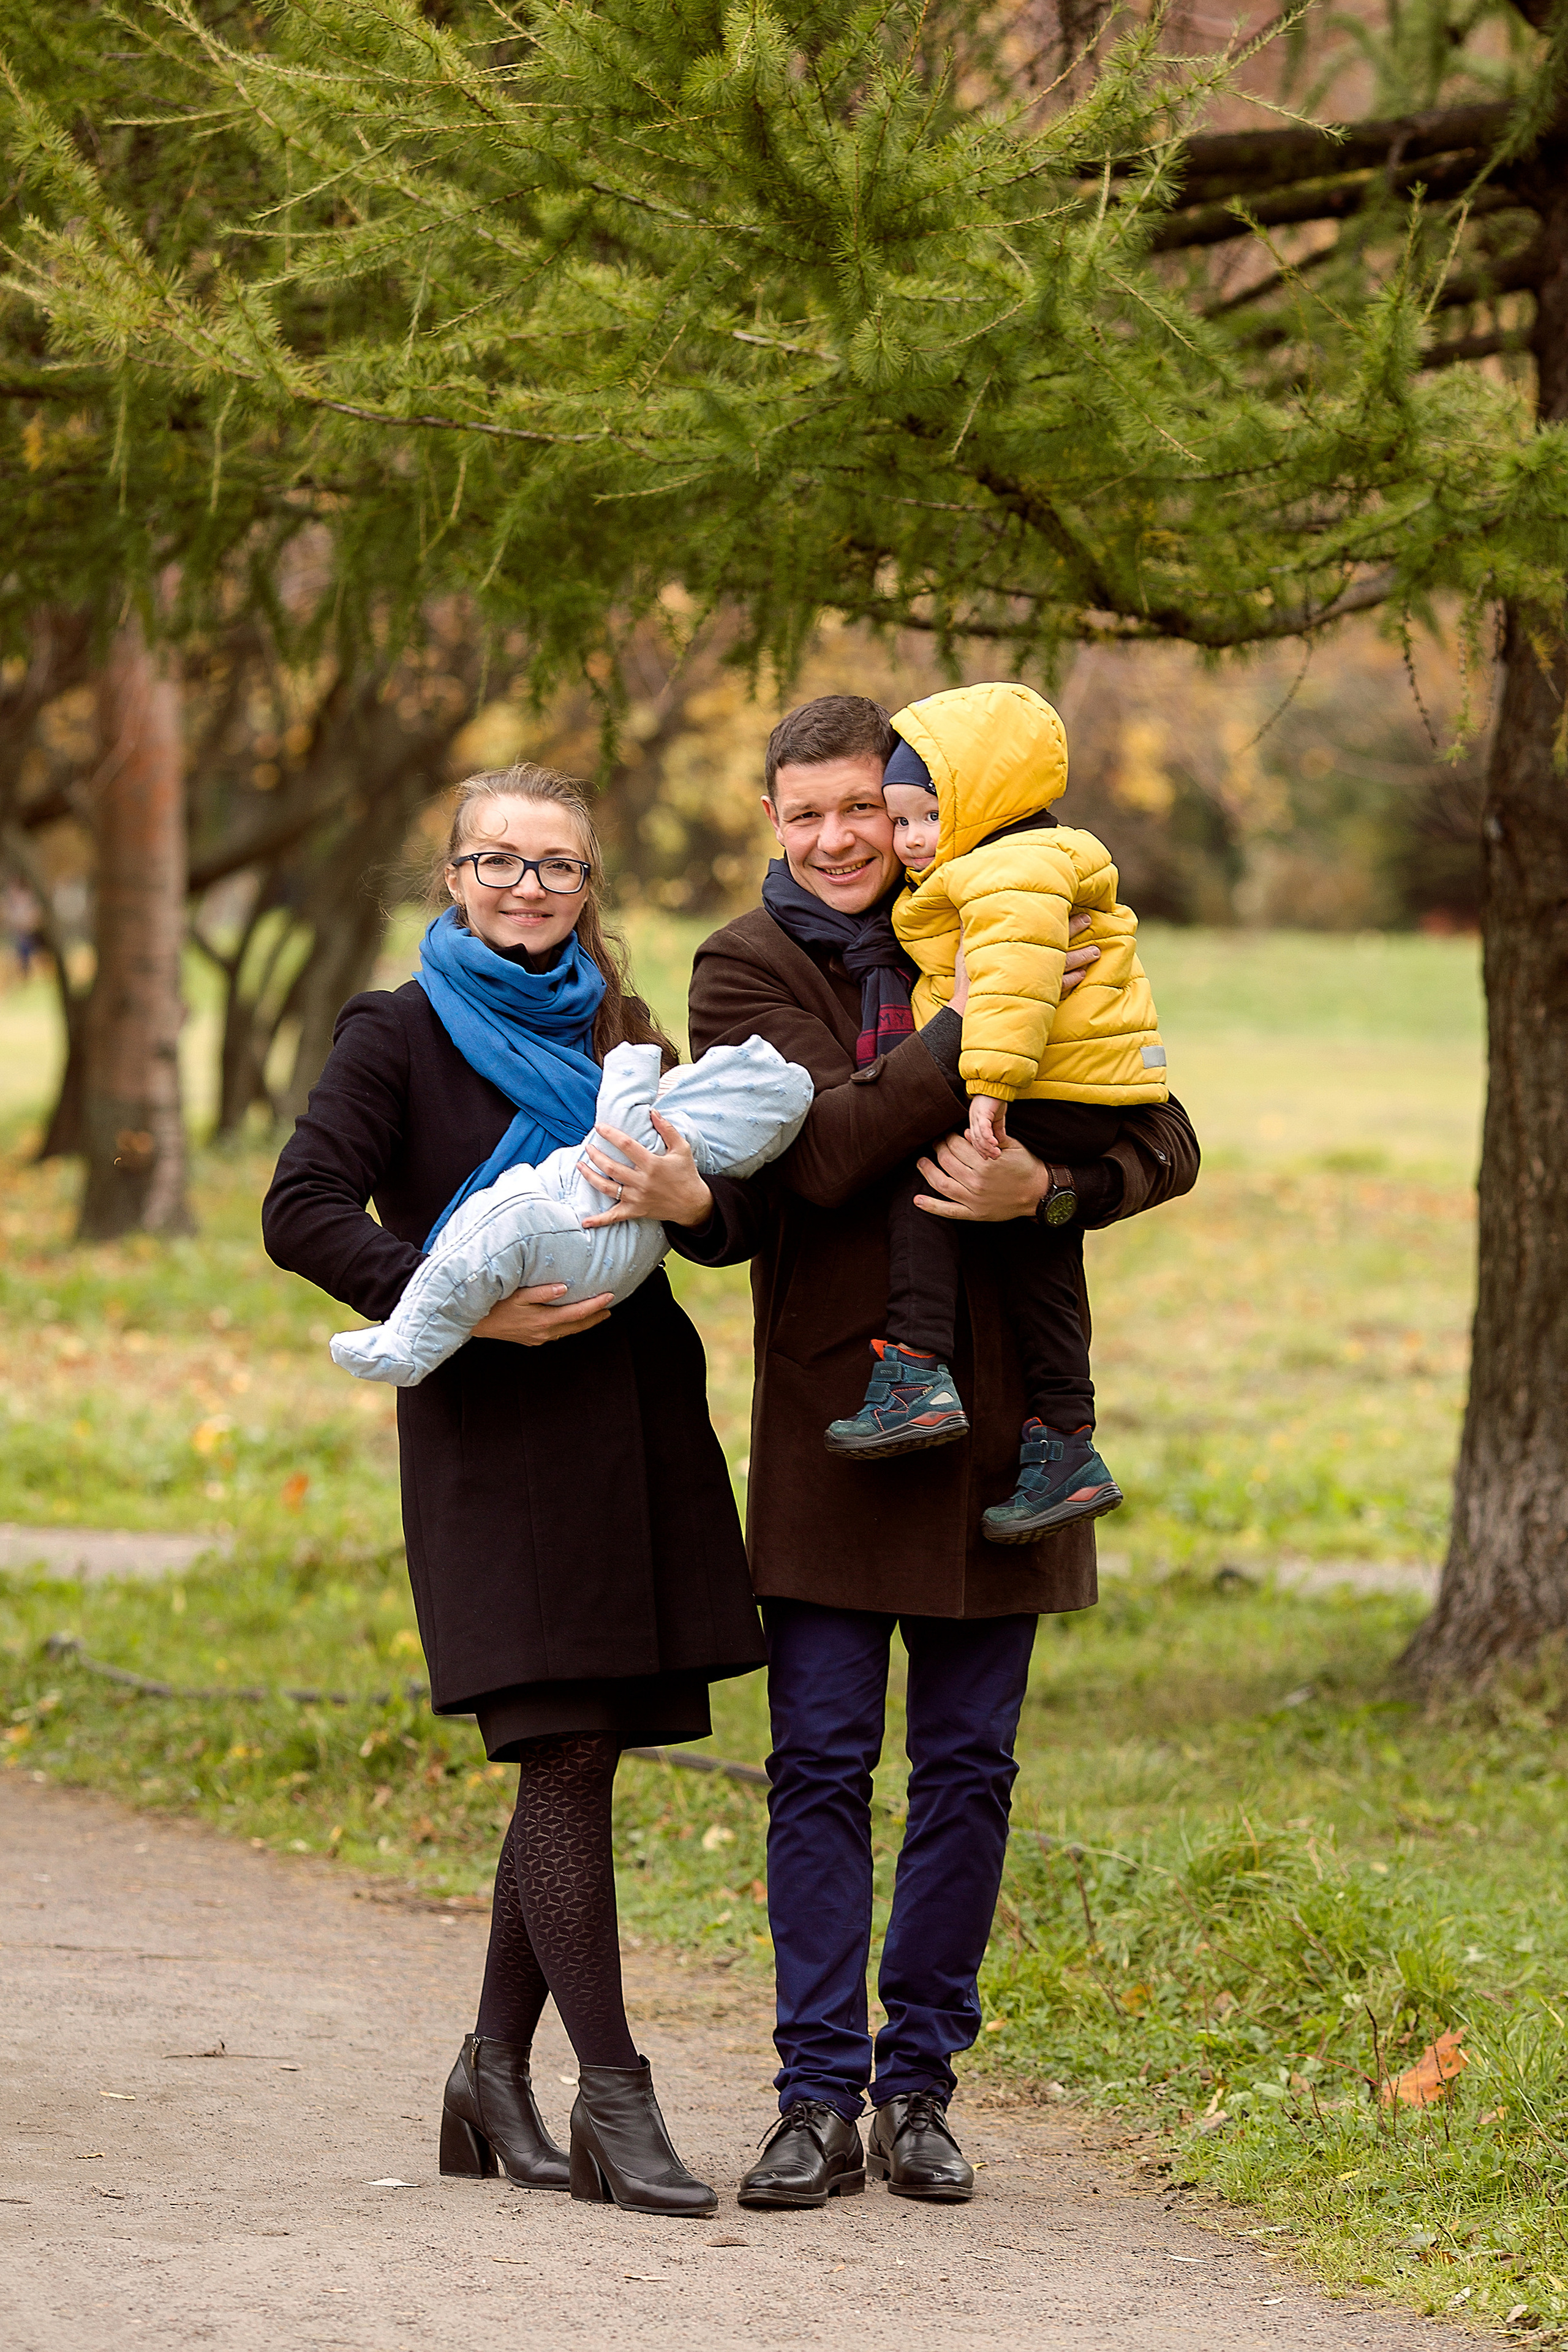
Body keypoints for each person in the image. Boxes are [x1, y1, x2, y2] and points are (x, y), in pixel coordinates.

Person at [685, 695, 1199, 2211]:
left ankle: (917, 2088)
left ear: (918, 806)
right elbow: (825, 1151)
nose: (841, 839)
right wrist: (983, 1016)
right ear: (772, 820)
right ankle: (811, 2095)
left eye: (866, 807)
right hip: (840, 1421)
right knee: (818, 1763)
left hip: (1010, 1435)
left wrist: (1048, 1190)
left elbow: (1162, 1134)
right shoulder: (747, 967)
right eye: (806, 814)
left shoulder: (1015, 903)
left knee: (968, 1769)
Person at [263, 762, 767, 2220]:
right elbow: (301, 1207)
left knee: (579, 1754)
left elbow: (718, 1216)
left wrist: (693, 1201)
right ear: (453, 876)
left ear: (587, 885)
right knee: (559, 1747)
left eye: (554, 865)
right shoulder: (395, 1033)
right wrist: (457, 1305)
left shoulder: (628, 1034)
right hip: (492, 1430)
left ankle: (491, 2072)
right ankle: (613, 2093)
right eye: (497, 861)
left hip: (632, 1418)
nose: (525, 887)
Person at [826, 682, 1167, 1545]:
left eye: (926, 816)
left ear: (983, 802)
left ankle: (915, 1371)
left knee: (924, 1170)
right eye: (900, 820)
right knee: (1039, 1253)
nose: (910, 839)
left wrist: (988, 1086)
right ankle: (1066, 1441)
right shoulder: (1025, 860)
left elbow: (1010, 986)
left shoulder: (1009, 870)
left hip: (1038, 1084)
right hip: (1085, 1091)